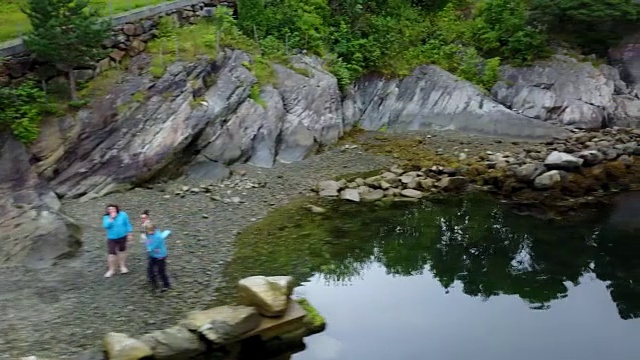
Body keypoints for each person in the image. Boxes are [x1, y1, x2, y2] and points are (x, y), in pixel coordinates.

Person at [102, 204, 133, 278]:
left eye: (113, 209)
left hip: (122, 236)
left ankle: (122, 267)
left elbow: (127, 224)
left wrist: (130, 233)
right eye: (109, 209)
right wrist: (111, 219)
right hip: (112, 238)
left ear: (116, 209)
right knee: (111, 254)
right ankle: (111, 270)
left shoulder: (123, 214)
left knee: (122, 251)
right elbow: (106, 226)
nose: (111, 210)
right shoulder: (106, 217)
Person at [145, 222, 171, 292]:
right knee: (150, 270)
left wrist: (149, 248)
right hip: (153, 255)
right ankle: (154, 283)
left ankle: (166, 284)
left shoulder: (158, 236)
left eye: (151, 231)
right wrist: (148, 246)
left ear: (154, 229)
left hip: (160, 256)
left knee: (161, 271)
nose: (150, 233)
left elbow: (154, 245)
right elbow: (148, 241)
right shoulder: (148, 235)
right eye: (148, 231)